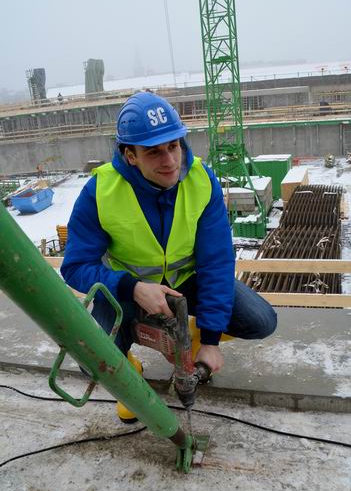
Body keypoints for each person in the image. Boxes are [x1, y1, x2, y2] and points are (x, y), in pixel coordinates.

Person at [61, 91, 277, 421]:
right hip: (125, 290)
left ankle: (188, 335)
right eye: (154, 152)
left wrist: (211, 339)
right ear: (130, 155)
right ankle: (129, 371)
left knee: (261, 320)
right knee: (92, 361)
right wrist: (132, 287)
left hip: (188, 281)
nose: (170, 161)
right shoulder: (100, 192)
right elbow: (75, 267)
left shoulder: (201, 181)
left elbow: (216, 262)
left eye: (174, 146)